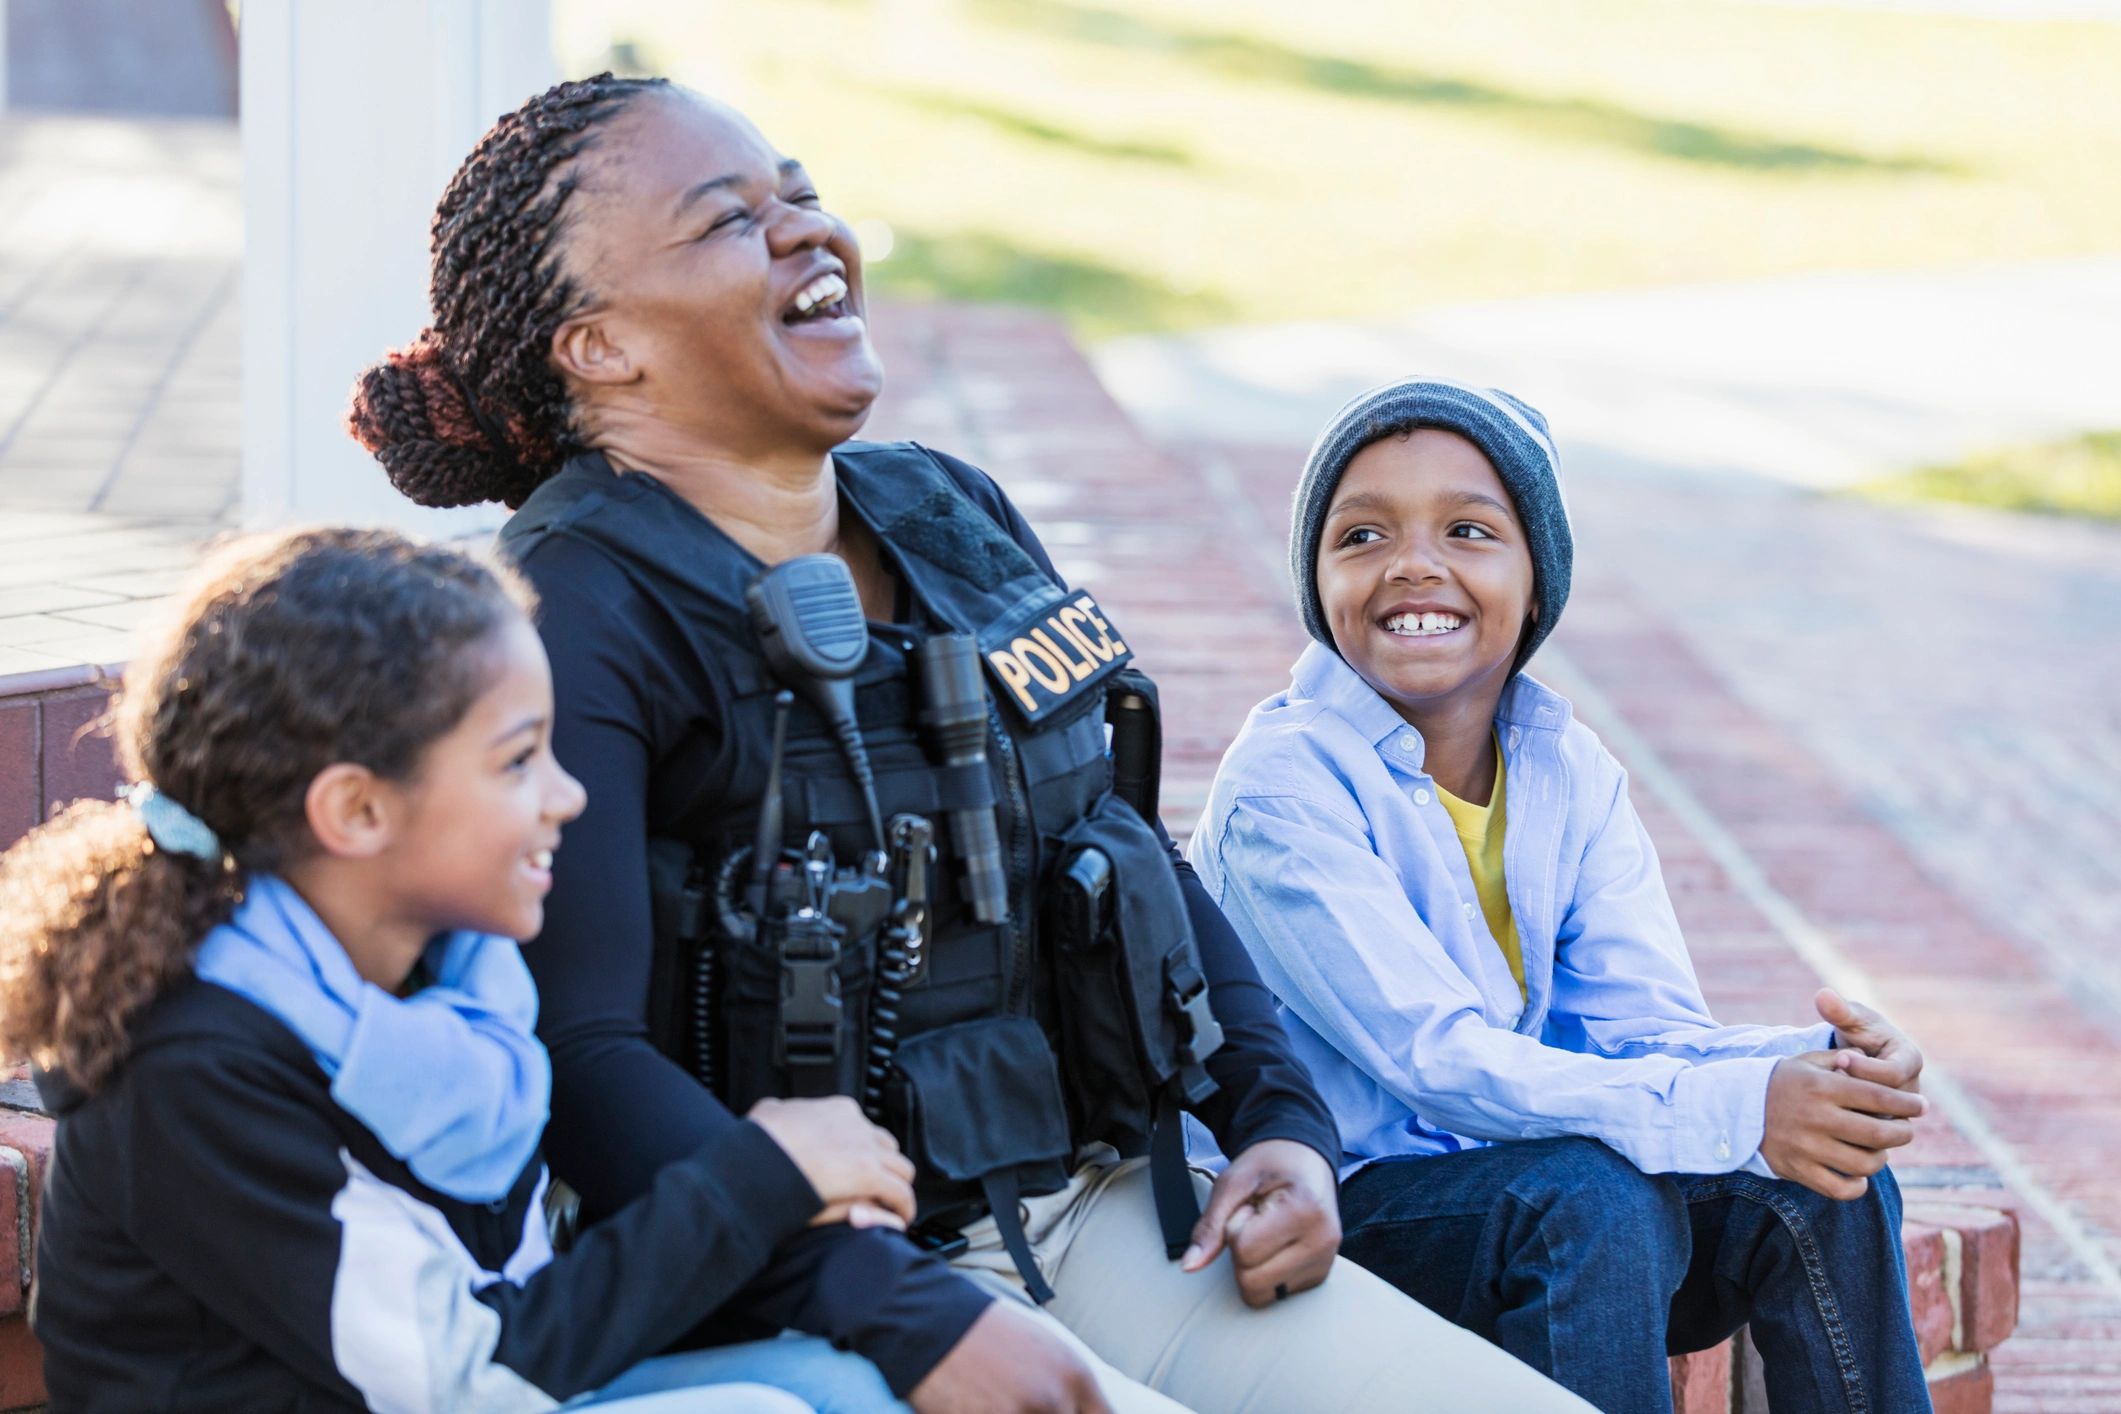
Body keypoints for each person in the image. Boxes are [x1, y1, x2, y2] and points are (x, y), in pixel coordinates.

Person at [346, 74, 1590, 1414]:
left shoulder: (949, 510)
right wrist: (901, 1312)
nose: (807, 234)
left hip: (1108, 1211)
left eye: (803, 195)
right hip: (808, 1282)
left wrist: (1278, 1123)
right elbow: (579, 1055)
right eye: (730, 222)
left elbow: (1121, 846)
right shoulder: (570, 612)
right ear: (600, 347)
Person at [0, 527, 926, 1413]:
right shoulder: (194, 1064)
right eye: (518, 761)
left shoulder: (447, 976)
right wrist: (758, 1177)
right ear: (358, 811)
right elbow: (469, 1378)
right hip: (460, 1386)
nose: (568, 797)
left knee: (843, 1386)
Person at [1187, 377, 1937, 1413]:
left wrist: (1811, 1076)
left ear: (1537, 580)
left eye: (1467, 528)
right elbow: (1436, 1059)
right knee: (1587, 1198)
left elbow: (1638, 1030)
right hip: (1336, 1213)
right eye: (1360, 536)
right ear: (1318, 584)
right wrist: (1736, 1106)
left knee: (1822, 1175)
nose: (1413, 563)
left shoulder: (1566, 769)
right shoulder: (1283, 790)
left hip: (1534, 1207)